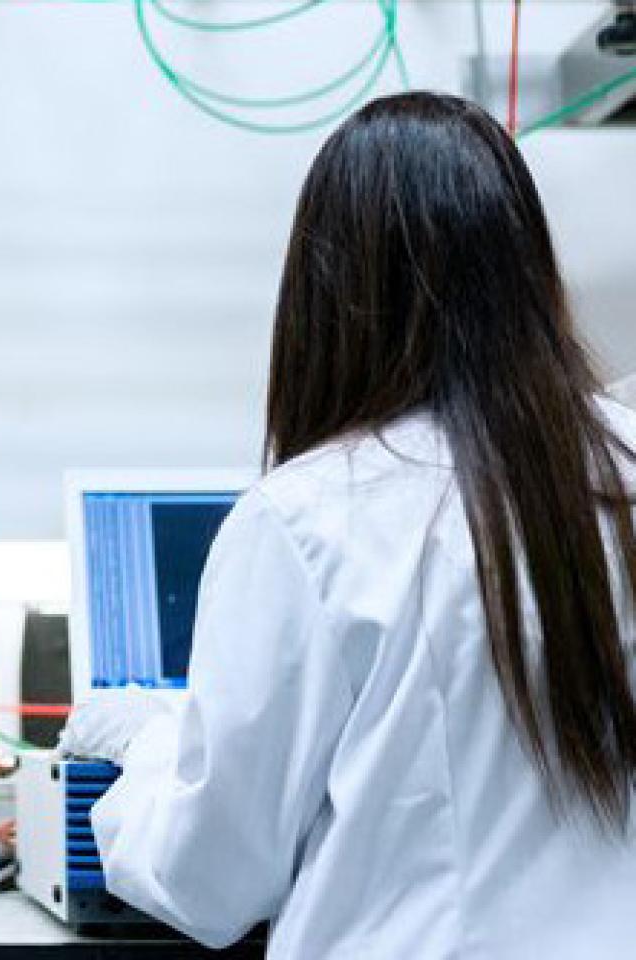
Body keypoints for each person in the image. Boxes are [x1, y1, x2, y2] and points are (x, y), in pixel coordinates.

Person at [59, 92, 636, 958]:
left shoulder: (312, 517)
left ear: (330, 289)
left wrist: (146, 748)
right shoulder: (621, 471)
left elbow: (211, 879)